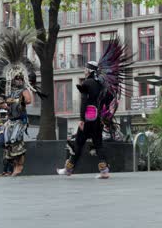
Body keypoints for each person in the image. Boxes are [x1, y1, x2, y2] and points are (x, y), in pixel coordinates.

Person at [57, 37, 132, 179]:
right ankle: (104, 171)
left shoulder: (87, 83)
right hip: (97, 119)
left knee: (78, 143)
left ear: (89, 70)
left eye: (85, 69)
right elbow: (108, 99)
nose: (84, 71)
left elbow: (84, 102)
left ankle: (69, 169)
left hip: (88, 118)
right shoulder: (102, 84)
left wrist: (81, 119)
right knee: (98, 144)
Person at [0, 28, 44, 177]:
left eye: (18, 77)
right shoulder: (8, 90)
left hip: (20, 120)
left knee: (17, 142)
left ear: (21, 78)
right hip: (10, 120)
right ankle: (12, 167)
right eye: (14, 78)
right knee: (9, 143)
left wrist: (17, 100)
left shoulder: (24, 89)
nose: (16, 80)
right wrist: (1, 103)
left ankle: (19, 167)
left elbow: (29, 100)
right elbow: (4, 104)